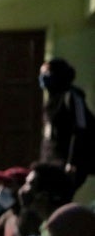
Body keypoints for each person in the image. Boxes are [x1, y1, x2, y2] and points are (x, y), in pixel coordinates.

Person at [39, 57, 95, 191]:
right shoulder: (51, 102)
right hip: (50, 158)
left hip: (67, 161)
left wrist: (72, 161)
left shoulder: (72, 97)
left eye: (46, 74)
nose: (42, 78)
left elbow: (80, 130)